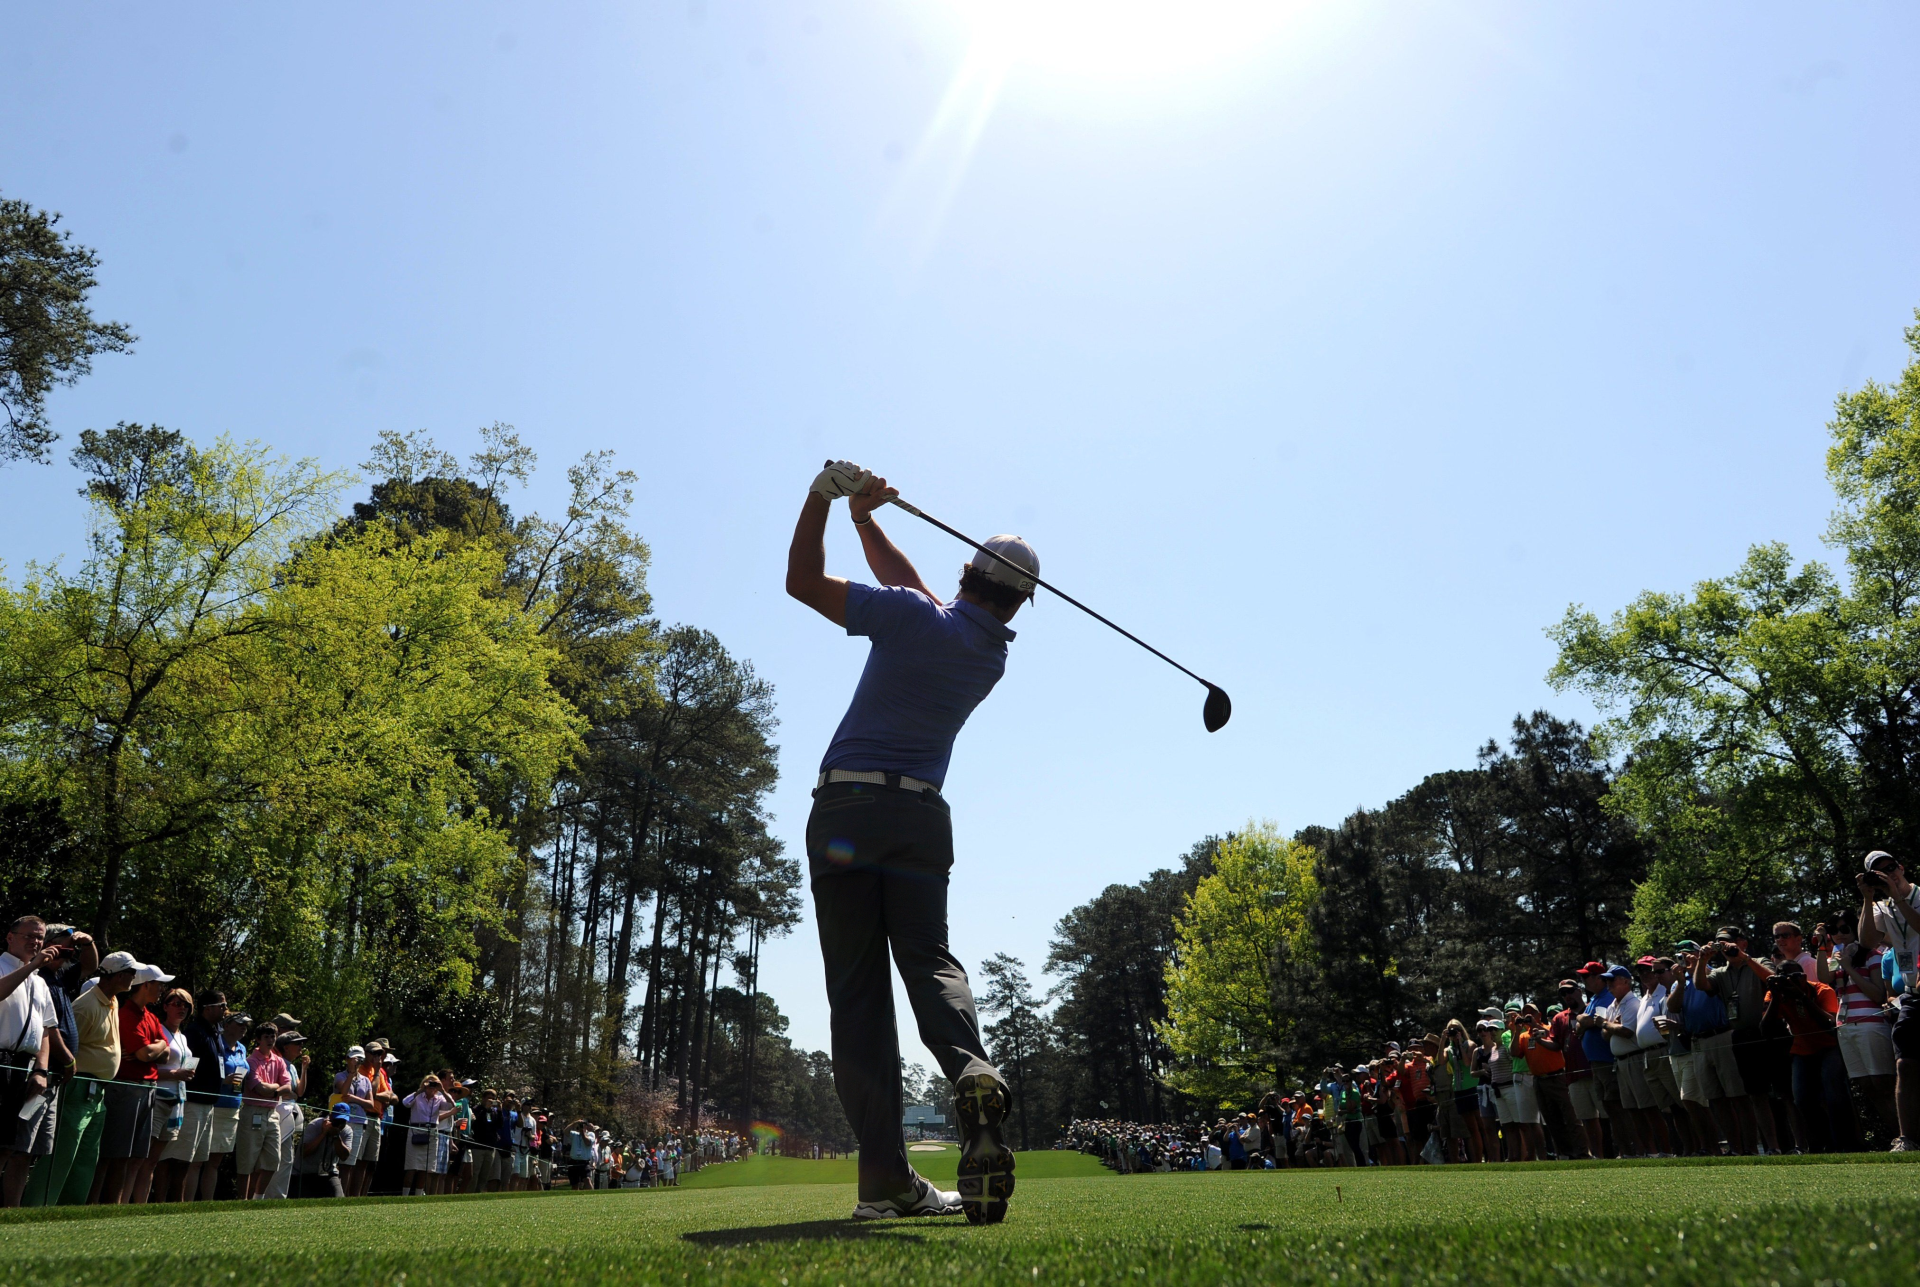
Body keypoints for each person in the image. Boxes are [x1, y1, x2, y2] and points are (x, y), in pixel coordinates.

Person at [787, 461, 1024, 1222]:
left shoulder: (912, 616)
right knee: (929, 960)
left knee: (859, 998)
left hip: (847, 813)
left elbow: (801, 582)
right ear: (1018, 602)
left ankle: (884, 1179)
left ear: (967, 574)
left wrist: (821, 500)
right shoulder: (989, 654)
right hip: (920, 819)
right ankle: (971, 1070)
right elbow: (917, 595)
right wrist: (866, 520)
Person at [18, 923, 100, 1207]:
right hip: (39, 1071)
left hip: (53, 1077)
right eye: (64, 945)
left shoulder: (60, 976)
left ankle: (23, 1209)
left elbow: (90, 966)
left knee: (37, 1146)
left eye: (71, 947)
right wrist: (68, 1058)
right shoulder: (36, 975)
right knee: (19, 1143)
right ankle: (12, 1206)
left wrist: (88, 943)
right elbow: (47, 1027)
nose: (69, 951)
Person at [1855, 849, 1920, 1150]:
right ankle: (1907, 1139)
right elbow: (1867, 941)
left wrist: (1898, 897)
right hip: (1912, 995)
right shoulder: (1883, 907)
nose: (1888, 874)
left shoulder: (1916, 896)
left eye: (1891, 867)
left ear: (1901, 867)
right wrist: (1868, 898)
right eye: (1878, 872)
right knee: (1905, 1065)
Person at [1816, 918, 1898, 1138]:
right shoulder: (1837, 957)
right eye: (1834, 930)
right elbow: (1823, 978)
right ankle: (1898, 1136)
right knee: (1866, 1085)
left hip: (1871, 1024)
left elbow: (1878, 995)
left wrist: (1849, 968)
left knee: (1883, 1083)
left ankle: (1907, 1135)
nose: (1839, 933)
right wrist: (1822, 945)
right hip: (1845, 1026)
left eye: (1845, 928)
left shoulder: (1872, 955)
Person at [0, 916, 62, 1206]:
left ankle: (9, 1211)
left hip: (24, 1066)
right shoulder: (3, 967)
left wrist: (41, 1069)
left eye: (39, 937)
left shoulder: (40, 983)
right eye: (29, 936)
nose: (35, 942)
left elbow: (45, 1030)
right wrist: (32, 966)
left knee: (10, 1144)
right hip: (1, 1062)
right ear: (10, 937)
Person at [1762, 960, 1854, 1153]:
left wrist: (1802, 997)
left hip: (1829, 1047)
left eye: (1793, 977)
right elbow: (1765, 1029)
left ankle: (1845, 1144)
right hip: (1802, 1050)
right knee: (1802, 1099)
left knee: (1834, 1095)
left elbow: (1829, 1025)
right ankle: (1823, 1143)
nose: (1788, 981)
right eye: (1782, 977)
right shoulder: (1774, 994)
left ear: (1803, 977)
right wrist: (1777, 997)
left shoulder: (1822, 990)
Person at [100, 958, 171, 1204]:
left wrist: (155, 1048)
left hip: (147, 1089)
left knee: (135, 1154)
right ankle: (107, 1205)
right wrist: (155, 1047)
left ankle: (118, 1206)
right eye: (158, 984)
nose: (162, 989)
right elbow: (144, 1054)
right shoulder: (126, 1014)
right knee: (118, 1152)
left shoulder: (150, 1017)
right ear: (145, 985)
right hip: (127, 1088)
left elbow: (165, 1053)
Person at [1709, 926, 1783, 1154]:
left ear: (1743, 943)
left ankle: (1800, 1144)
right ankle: (1773, 1147)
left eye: (1729, 942)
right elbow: (1702, 985)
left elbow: (1772, 979)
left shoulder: (1759, 961)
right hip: (1741, 1036)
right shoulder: (1720, 972)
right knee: (1756, 1094)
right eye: (1721, 943)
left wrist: (1744, 958)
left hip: (1769, 1033)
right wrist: (1702, 960)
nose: (1725, 947)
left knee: (1784, 1091)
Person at [144, 988, 196, 1200]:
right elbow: (146, 1067)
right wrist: (175, 1074)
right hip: (156, 1098)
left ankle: (144, 1204)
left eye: (186, 1005)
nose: (182, 1008)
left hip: (176, 1101)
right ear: (165, 1006)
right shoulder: (158, 1031)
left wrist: (185, 1074)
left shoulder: (182, 1037)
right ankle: (132, 1203)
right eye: (176, 1004)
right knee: (143, 1157)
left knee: (153, 1160)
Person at [235, 1021, 289, 1199]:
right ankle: (242, 1201)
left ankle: (257, 1199)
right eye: (266, 1037)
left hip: (272, 1114)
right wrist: (277, 1088)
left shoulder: (279, 1061)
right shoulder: (250, 1061)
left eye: (273, 1036)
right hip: (252, 1112)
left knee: (273, 1160)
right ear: (258, 1039)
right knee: (247, 1161)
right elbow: (259, 1088)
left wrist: (272, 1090)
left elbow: (288, 1087)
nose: (270, 1040)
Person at [263, 1023, 310, 1200]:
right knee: (278, 1157)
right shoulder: (277, 1063)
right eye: (297, 1043)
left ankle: (278, 1196)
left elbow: (299, 1092)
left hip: (289, 1115)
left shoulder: (292, 1066)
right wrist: (289, 1093)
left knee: (287, 1158)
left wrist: (304, 1069)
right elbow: (283, 1091)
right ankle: (271, 1196)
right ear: (286, 1047)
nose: (300, 1047)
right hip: (279, 1113)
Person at [401, 1074, 453, 1195]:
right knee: (411, 1167)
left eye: (434, 1084)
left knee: (425, 1169)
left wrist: (442, 1091)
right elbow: (405, 1103)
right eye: (430, 1083)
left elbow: (451, 1105)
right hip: (416, 1132)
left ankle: (418, 1196)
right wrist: (420, 1090)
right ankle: (405, 1196)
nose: (432, 1086)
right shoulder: (417, 1096)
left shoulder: (439, 1098)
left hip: (431, 1134)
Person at [294, 1103, 354, 1199]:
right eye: (337, 1121)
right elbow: (304, 1152)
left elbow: (344, 1157)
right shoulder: (315, 1125)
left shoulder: (347, 1131)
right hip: (305, 1173)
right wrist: (323, 1133)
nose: (339, 1125)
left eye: (343, 1122)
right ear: (330, 1116)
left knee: (339, 1200)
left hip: (329, 1173)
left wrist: (336, 1136)